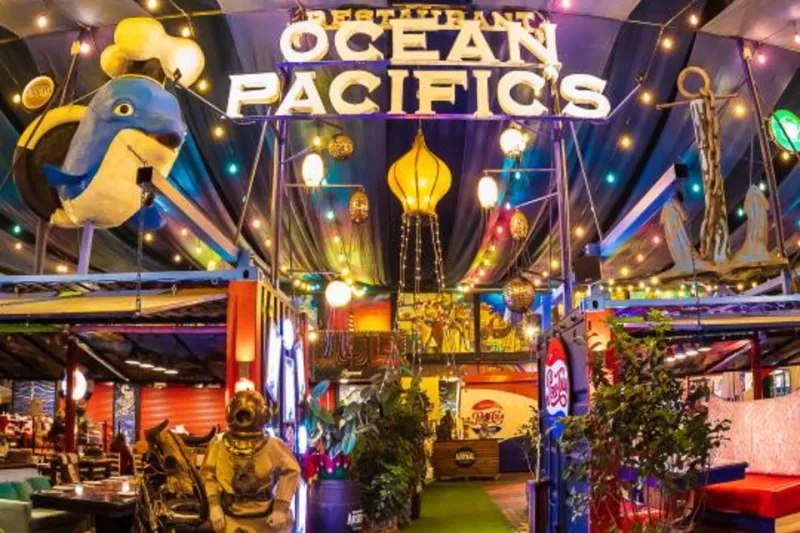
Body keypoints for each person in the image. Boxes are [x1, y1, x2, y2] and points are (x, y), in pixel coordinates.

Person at [201, 390, 300, 533]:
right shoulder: (218, 444)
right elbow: (207, 475)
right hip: (228, 519)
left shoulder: (272, 445)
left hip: (264, 520)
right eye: (241, 415)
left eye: (247, 414)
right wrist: (214, 506)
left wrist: (280, 508)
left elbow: (292, 470)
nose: (244, 419)